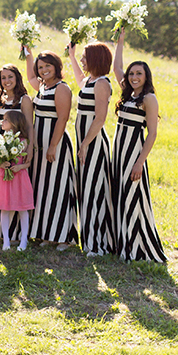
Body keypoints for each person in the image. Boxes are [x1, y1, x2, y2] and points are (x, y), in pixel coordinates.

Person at [111, 29, 166, 262]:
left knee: (134, 198)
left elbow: (152, 134)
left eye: (139, 74)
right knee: (120, 196)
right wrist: (120, 43)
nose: (134, 77)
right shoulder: (128, 94)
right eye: (132, 73)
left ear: (146, 76)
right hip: (118, 150)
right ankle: (121, 243)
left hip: (134, 151)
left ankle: (138, 248)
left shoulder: (148, 99)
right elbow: (116, 69)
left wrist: (139, 163)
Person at [25, 48, 78, 250]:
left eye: (48, 65)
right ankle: (48, 232)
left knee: (58, 188)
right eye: (41, 67)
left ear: (56, 66)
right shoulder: (43, 87)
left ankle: (64, 236)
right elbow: (30, 75)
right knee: (44, 188)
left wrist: (53, 146)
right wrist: (28, 52)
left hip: (55, 144)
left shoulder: (61, 88)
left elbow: (63, 118)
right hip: (40, 143)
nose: (44, 69)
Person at [67, 41, 114, 257]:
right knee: (85, 190)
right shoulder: (89, 81)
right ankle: (89, 240)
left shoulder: (102, 83)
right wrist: (72, 56)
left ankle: (98, 244)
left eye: (86, 57)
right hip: (84, 144)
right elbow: (79, 79)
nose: (83, 61)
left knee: (94, 190)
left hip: (93, 144)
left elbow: (100, 118)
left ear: (96, 59)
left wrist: (84, 144)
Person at [0, 45, 34, 241]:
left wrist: (30, 151)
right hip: (0, 149)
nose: (6, 81)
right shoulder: (0, 97)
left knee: (17, 192)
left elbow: (30, 126)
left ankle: (18, 235)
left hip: (18, 150)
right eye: (3, 78)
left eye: (10, 77)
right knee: (0, 190)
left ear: (17, 78)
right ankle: (0, 232)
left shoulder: (24, 99)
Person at [0, 110, 34, 251]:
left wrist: (20, 166)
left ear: (14, 124)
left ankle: (24, 240)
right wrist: (1, 164)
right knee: (4, 208)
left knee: (22, 208)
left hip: (19, 178)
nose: (2, 122)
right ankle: (6, 241)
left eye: (5, 120)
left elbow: (28, 163)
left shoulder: (23, 142)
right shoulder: (0, 140)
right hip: (4, 179)